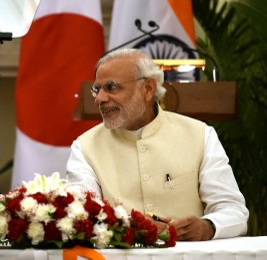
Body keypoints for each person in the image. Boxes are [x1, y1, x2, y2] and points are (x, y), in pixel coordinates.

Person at [66, 48, 248, 241]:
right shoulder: (85, 147)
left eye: (111, 87)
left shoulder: (200, 135)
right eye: (97, 89)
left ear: (148, 89)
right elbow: (79, 216)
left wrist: (208, 227)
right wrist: (127, 227)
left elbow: (233, 210)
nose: (99, 99)